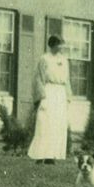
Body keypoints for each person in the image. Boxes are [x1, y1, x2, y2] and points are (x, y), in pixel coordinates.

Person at [28, 35, 71, 164]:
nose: (61, 48)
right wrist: (42, 96)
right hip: (49, 92)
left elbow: (67, 79)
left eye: (62, 45)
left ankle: (51, 157)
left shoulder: (64, 60)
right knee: (45, 123)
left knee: (58, 124)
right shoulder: (44, 59)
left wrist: (68, 95)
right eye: (59, 45)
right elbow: (39, 79)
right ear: (53, 45)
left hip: (61, 92)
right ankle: (40, 156)